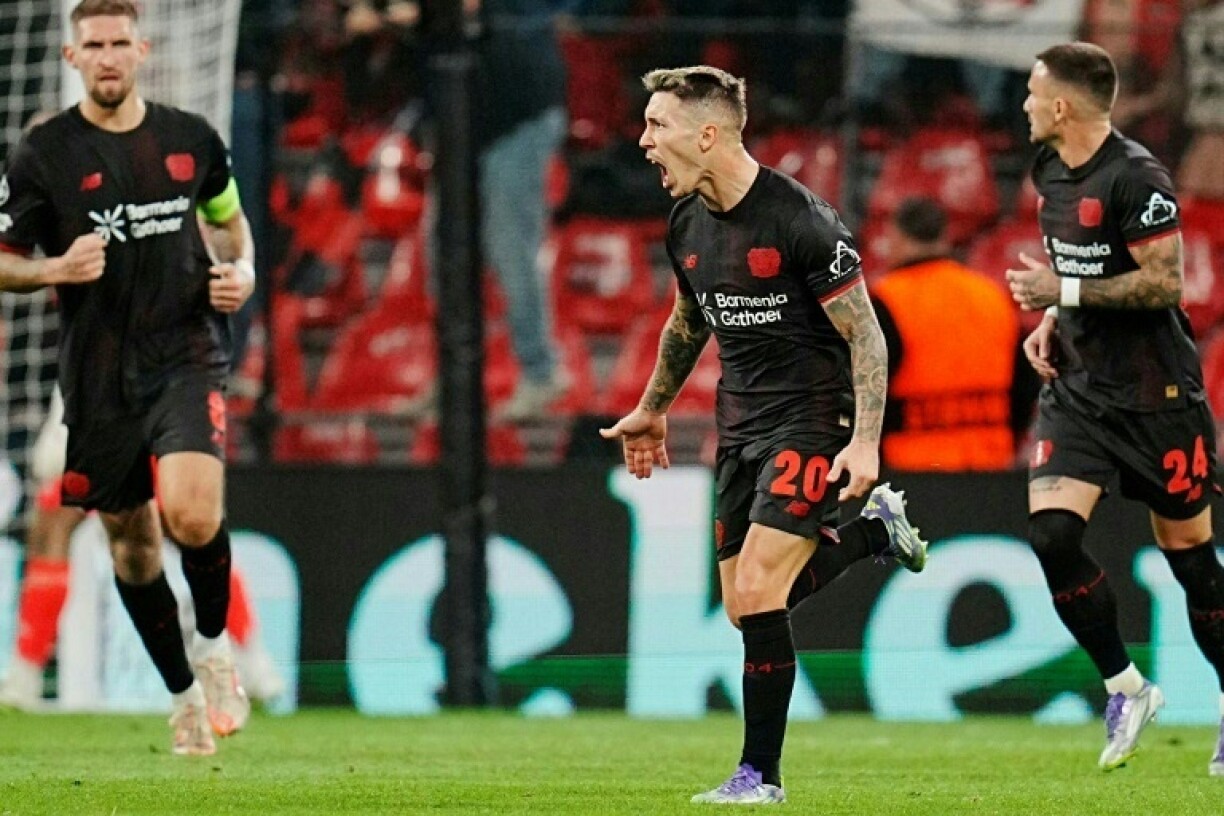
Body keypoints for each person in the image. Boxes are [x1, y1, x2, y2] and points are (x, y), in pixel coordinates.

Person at [600, 65, 928, 805]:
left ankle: (760, 777)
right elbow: (690, 321)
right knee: (745, 606)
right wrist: (653, 407)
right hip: (739, 422)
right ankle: (875, 538)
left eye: (657, 125)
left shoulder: (803, 222)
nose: (644, 141)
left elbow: (866, 339)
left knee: (757, 592)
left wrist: (865, 442)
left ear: (706, 134)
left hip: (812, 417)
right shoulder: (685, 221)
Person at [0, 0, 256, 755]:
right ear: (72, 58)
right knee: (134, 548)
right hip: (97, 374)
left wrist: (239, 270)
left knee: (194, 516)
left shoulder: (191, 139)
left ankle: (215, 651)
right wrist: (53, 267)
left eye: (120, 42)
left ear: (141, 50)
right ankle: (180, 697)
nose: (109, 56)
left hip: (184, 353)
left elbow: (229, 222)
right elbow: (3, 259)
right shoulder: (42, 153)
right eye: (94, 45)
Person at [1006, 41, 1224, 775]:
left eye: (1035, 93)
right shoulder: (1047, 171)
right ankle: (1126, 686)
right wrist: (1053, 320)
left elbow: (1167, 285)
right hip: (1079, 392)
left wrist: (1060, 296)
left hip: (1157, 398)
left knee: (1192, 562)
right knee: (1052, 536)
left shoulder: (1138, 178)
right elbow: (1075, 260)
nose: (1027, 103)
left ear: (1062, 105)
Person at [0, 392, 287, 711]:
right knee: (53, 516)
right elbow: (58, 444)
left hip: (163, 445)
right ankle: (25, 675)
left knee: (193, 528)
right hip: (103, 455)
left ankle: (252, 661)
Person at [871, 196, 1038, 470]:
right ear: (945, 236)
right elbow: (1026, 384)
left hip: (911, 469)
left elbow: (866, 390)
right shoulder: (991, 295)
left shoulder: (885, 300)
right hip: (990, 468)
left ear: (896, 237)